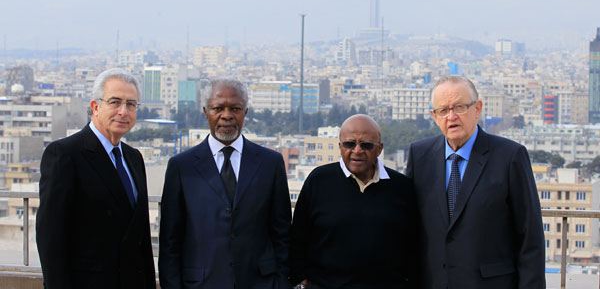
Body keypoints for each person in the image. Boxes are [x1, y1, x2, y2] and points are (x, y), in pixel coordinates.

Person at [406, 75, 545, 289]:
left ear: (477, 109)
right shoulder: (419, 155)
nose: (451, 117)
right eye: (443, 110)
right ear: (434, 116)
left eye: (459, 107)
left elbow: (530, 239)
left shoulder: (510, 156)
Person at [159, 78, 291, 289]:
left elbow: (282, 232)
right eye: (218, 108)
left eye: (235, 108)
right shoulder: (181, 167)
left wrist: (281, 282)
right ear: (205, 111)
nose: (227, 115)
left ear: (245, 111)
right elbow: (169, 241)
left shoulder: (270, 163)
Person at [36, 68, 155, 289]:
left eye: (131, 104)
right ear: (95, 107)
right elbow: (51, 238)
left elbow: (141, 237)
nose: (123, 111)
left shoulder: (134, 158)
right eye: (115, 102)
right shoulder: (65, 154)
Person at [290, 114, 418, 289]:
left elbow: (413, 245)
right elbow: (297, 238)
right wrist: (303, 279)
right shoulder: (319, 180)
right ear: (340, 147)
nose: (357, 150)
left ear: (379, 149)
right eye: (350, 144)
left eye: (366, 145)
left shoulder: (401, 187)